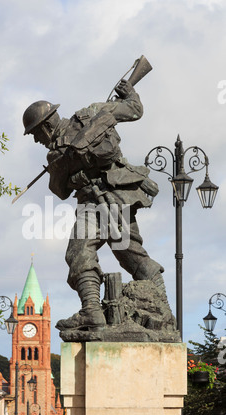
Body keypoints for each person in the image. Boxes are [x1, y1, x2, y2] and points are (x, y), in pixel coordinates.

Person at [23, 80, 165, 331]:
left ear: (45, 126)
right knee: (103, 252)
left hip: (111, 198)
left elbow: (133, 109)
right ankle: (93, 311)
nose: (36, 140)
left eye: (35, 134)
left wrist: (128, 89)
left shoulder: (85, 120)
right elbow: (61, 190)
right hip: (100, 201)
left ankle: (159, 309)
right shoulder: (61, 147)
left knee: (123, 254)